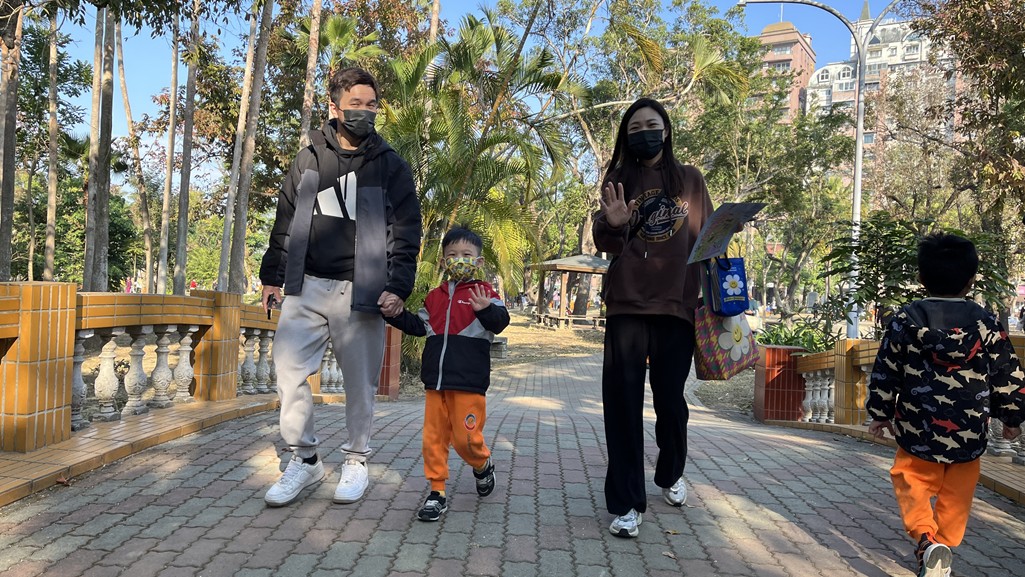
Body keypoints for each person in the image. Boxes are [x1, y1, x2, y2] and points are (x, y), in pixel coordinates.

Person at [259, 66, 422, 507]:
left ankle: (355, 460)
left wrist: (398, 287)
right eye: (356, 104)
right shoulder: (309, 157)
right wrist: (272, 275)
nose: (364, 112)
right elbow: (286, 219)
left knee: (359, 385)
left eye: (372, 105)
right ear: (334, 106)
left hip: (362, 292)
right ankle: (305, 459)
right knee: (289, 373)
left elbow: (406, 231)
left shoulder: (390, 165)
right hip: (306, 286)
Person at [867, 232, 1025, 577]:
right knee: (958, 493)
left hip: (917, 427)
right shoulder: (986, 324)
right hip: (968, 431)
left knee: (910, 479)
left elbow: (885, 370)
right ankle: (943, 545)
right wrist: (1012, 416)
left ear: (921, 278)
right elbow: (1007, 372)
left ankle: (926, 539)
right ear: (971, 281)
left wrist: (880, 412)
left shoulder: (903, 321)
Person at [592, 98, 714, 538]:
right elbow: (604, 239)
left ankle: (670, 471)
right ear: (626, 137)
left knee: (670, 402)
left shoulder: (691, 180)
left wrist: (726, 231)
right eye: (635, 128)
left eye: (652, 124)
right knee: (621, 405)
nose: (644, 133)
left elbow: (709, 239)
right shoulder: (618, 179)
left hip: (676, 306)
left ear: (666, 130)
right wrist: (615, 223)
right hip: (626, 304)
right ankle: (627, 503)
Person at [383, 227, 509, 521]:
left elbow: (501, 322)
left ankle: (482, 464)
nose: (458, 259)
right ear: (443, 262)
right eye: (452, 255)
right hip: (435, 383)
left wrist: (485, 309)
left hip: (469, 384)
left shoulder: (485, 293)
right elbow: (419, 327)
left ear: (478, 262)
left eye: (466, 254)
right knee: (433, 439)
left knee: (467, 440)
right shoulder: (434, 297)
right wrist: (395, 314)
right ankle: (436, 492)